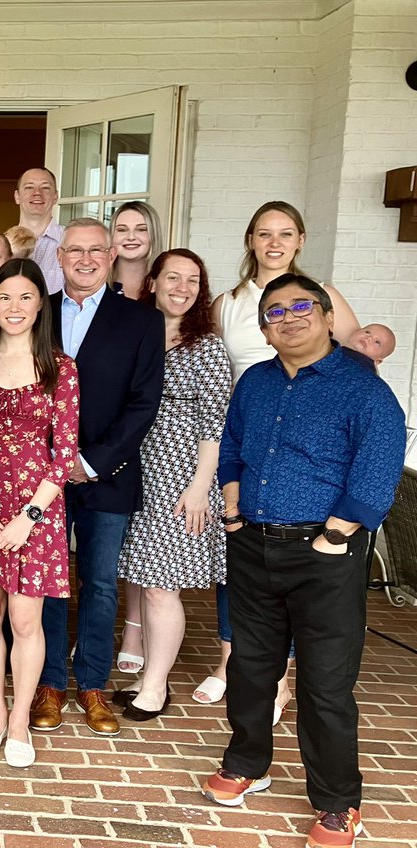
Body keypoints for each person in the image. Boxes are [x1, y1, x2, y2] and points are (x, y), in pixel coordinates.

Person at [201, 274, 404, 848]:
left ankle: (339, 803)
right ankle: (246, 763)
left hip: (326, 553)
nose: (287, 318)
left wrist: (337, 535)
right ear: (264, 329)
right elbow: (234, 446)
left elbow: (381, 458)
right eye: (274, 312)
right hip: (253, 543)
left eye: (299, 307)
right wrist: (235, 512)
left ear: (324, 315)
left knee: (325, 682)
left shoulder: (360, 385)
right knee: (250, 666)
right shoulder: (257, 383)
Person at [193, 200, 361, 710]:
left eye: (285, 233)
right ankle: (232, 661)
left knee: (292, 559)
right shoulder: (228, 302)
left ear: (300, 240)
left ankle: (280, 676)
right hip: (245, 431)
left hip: (304, 440)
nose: (274, 242)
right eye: (264, 233)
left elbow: (360, 351)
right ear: (250, 240)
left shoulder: (321, 295)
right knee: (239, 555)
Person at [31, 217, 164, 738]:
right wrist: (46, 464)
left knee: (101, 583)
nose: (84, 259)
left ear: (111, 256)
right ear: (59, 258)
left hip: (107, 475)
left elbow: (143, 404)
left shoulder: (140, 321)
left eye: (95, 251)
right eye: (73, 251)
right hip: (40, 476)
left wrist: (89, 462)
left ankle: (91, 683)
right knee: (46, 583)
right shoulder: (38, 313)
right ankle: (49, 682)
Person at [0, 258, 79, 769]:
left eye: (26, 297)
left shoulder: (59, 365)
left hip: (36, 507)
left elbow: (65, 452)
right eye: (5, 296)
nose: (15, 307)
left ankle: (23, 718)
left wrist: (28, 515)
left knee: (27, 619)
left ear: (41, 304)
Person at [114, 250, 230, 722]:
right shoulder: (136, 333)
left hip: (181, 474)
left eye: (193, 281)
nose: (182, 287)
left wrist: (201, 485)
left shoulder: (207, 346)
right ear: (154, 282)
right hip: (133, 468)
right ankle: (147, 677)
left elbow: (215, 420)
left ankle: (157, 686)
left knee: (163, 587)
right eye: (173, 278)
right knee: (142, 575)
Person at [14, 168, 65, 294]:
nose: (37, 193)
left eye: (46, 188)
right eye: (29, 187)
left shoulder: (70, 242)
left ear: (55, 197)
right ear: (17, 197)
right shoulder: (0, 244)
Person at [109, 201, 162, 299]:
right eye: (122, 230)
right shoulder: (97, 287)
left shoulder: (164, 288)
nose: (131, 237)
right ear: (111, 236)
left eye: (141, 229)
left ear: (154, 235)